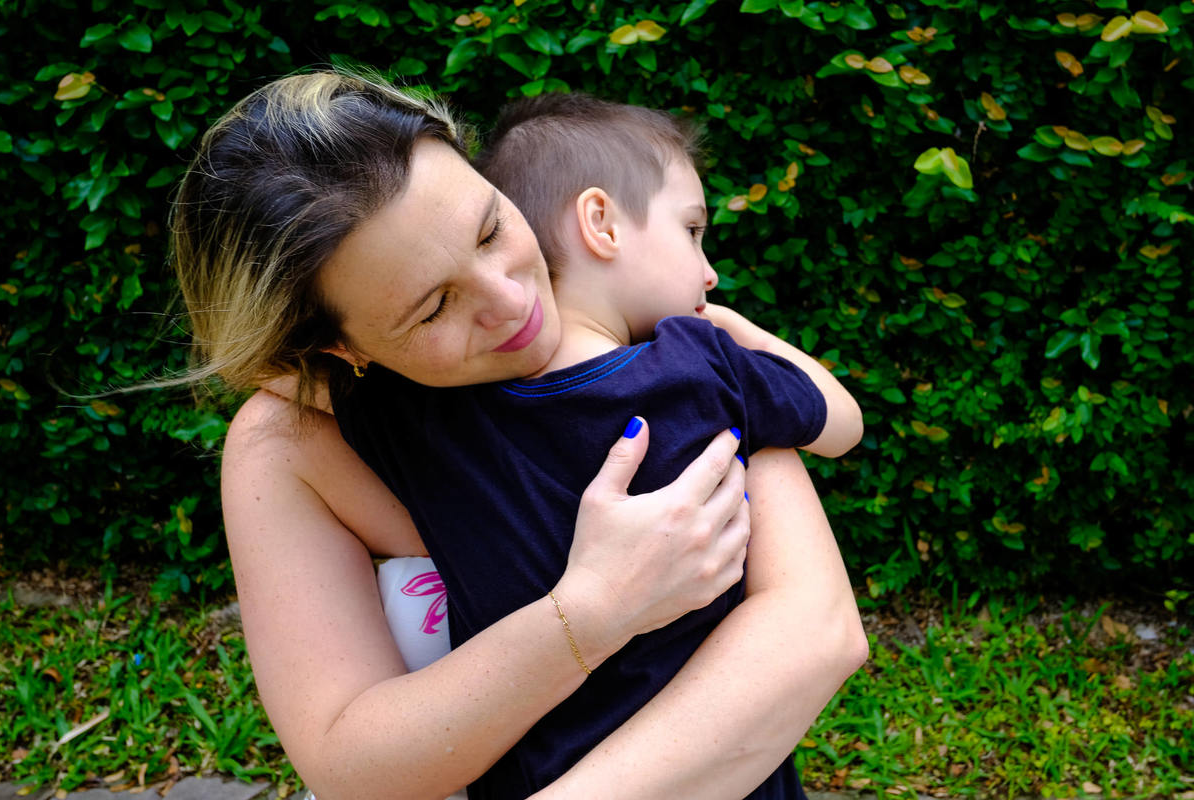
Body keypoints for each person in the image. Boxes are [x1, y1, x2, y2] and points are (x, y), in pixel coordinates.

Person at [172, 68, 868, 800]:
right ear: (344, 351)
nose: (515, 303)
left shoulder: (665, 349)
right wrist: (591, 612)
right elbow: (349, 762)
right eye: (434, 307)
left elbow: (815, 631)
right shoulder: (308, 441)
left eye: (490, 227)